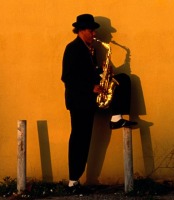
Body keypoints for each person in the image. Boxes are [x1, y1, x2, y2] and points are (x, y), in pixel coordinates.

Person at [61, 13, 137, 194]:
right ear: (80, 30)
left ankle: (116, 117)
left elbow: (88, 74)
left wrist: (103, 73)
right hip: (79, 101)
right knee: (81, 139)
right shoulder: (73, 48)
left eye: (94, 30)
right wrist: (91, 87)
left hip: (91, 98)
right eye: (90, 30)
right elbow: (68, 77)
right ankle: (73, 182)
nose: (94, 33)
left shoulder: (90, 49)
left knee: (123, 79)